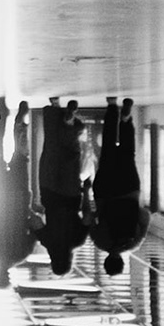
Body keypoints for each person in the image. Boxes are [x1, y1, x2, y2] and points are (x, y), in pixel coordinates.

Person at [86, 97, 150, 275]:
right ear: (106, 261)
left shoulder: (133, 243)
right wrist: (91, 200)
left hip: (129, 190)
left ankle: (126, 120)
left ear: (122, 262)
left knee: (128, 153)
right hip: (104, 191)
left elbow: (145, 215)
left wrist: (133, 207)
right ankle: (112, 107)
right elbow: (89, 217)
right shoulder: (100, 242)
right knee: (107, 148)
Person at [0, 98, 36, 287]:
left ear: (9, 277)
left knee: (20, 154)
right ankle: (2, 114)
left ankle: (20, 119)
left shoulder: (22, 254)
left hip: (19, 198)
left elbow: (34, 230)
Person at [34, 98, 89, 274]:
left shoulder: (78, 240)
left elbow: (87, 218)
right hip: (49, 194)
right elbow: (35, 221)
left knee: (71, 155)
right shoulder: (47, 241)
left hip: (72, 197)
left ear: (69, 260)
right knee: (51, 150)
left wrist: (87, 192)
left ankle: (70, 123)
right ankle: (54, 107)